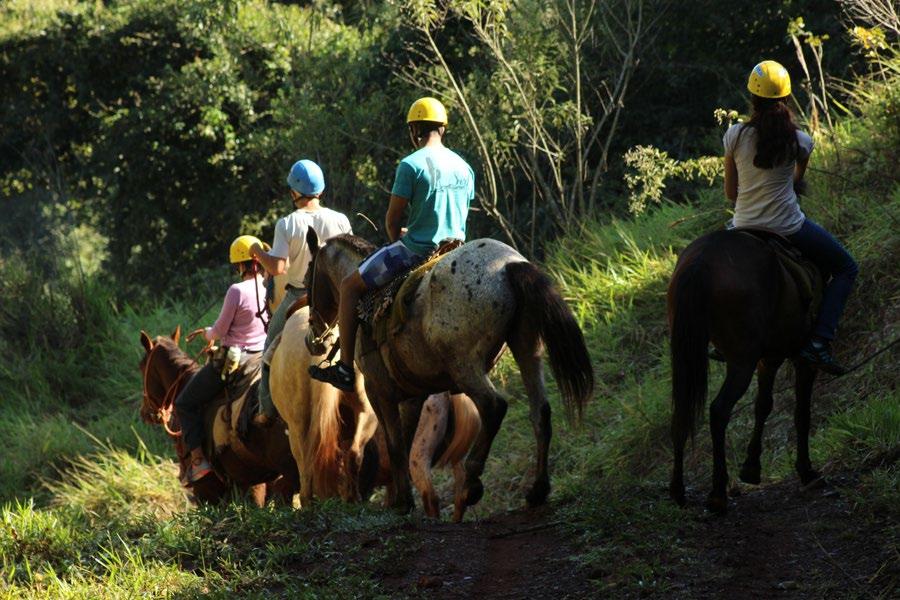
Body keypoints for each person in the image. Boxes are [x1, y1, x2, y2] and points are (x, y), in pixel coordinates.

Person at [310, 97, 475, 391]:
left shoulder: (410, 165)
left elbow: (391, 221)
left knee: (349, 286)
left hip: (417, 251)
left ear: (414, 130)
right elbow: (454, 213)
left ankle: (346, 369)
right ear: (443, 128)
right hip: (459, 251)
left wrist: (397, 237)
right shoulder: (464, 167)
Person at [723, 60, 858, 374]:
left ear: (752, 98)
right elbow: (796, 181)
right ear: (785, 98)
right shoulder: (801, 142)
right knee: (846, 267)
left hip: (743, 226)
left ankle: (722, 339)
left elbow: (732, 194)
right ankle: (820, 342)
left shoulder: (734, 136)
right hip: (788, 228)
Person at [250, 159, 352, 424]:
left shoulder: (287, 224)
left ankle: (266, 410)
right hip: (336, 297)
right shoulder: (340, 219)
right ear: (320, 189)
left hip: (300, 295)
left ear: (294, 192)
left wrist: (257, 252)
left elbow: (278, 267)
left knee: (269, 349)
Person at [175, 235, 268, 484]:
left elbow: (218, 332)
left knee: (184, 402)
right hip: (262, 356)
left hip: (233, 358)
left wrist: (206, 333)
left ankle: (198, 460)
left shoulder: (236, 290)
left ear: (240, 265)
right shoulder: (271, 286)